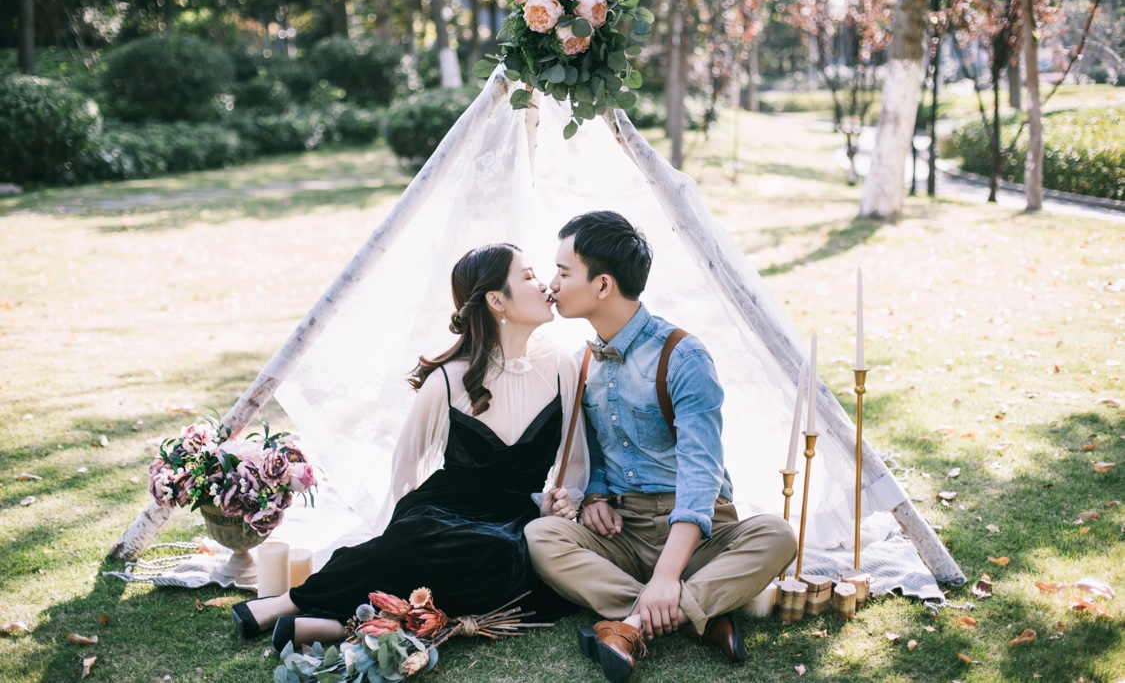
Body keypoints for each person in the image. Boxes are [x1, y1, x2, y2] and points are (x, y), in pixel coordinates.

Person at [232, 244, 587, 650]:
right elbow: (406, 470)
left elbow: (575, 464)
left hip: (512, 521)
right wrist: (394, 538)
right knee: (415, 543)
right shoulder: (448, 381)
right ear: (496, 300)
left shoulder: (562, 367)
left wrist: (560, 504)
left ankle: (335, 626)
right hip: (443, 511)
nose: (544, 285)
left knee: (499, 555)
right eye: (528, 276)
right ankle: (288, 604)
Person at [525, 211, 798, 683]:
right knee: (540, 537)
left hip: (699, 533)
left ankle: (632, 624)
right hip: (624, 533)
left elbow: (701, 474)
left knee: (778, 534)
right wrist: (595, 495)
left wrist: (668, 574)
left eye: (563, 273)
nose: (552, 284)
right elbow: (594, 451)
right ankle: (696, 615)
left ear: (603, 284)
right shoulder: (581, 362)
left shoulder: (684, 356)